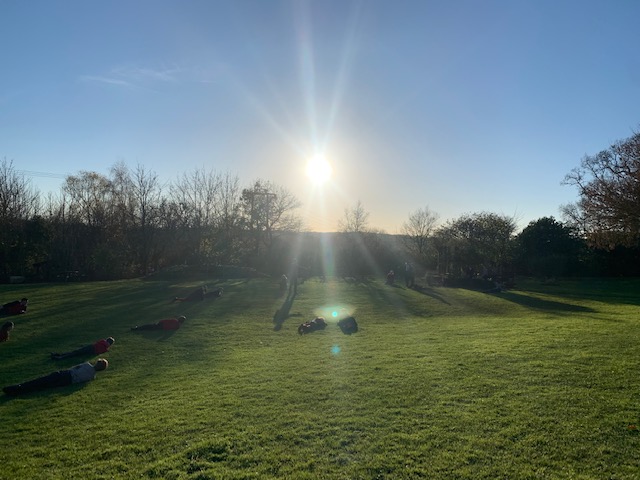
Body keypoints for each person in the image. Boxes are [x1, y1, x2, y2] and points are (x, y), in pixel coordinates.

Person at [3, 358, 108, 396]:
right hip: (67, 382)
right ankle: (20, 391)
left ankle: (17, 388)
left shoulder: (86, 364)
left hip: (65, 374)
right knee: (43, 386)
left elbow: (73, 368)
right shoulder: (91, 377)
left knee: (41, 380)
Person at [50, 337, 115, 360]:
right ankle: (59, 356)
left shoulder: (103, 341)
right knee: (76, 354)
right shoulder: (105, 349)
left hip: (91, 347)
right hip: (91, 352)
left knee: (75, 352)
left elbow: (97, 342)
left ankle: (59, 356)